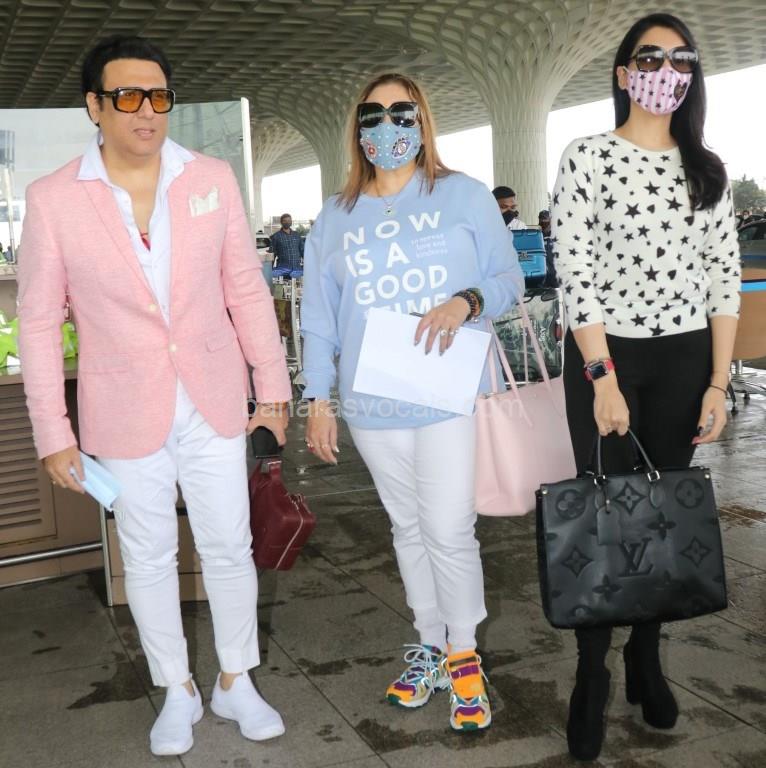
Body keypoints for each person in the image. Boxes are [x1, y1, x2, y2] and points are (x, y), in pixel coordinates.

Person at [17, 35, 291, 757]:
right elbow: (39, 322)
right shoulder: (52, 198)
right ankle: (177, 688)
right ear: (95, 106)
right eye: (128, 96)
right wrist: (53, 432)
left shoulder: (210, 177)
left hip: (214, 396)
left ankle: (235, 679)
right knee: (147, 556)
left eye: (159, 96)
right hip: (121, 407)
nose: (147, 111)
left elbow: (245, 289)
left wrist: (273, 392)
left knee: (229, 543)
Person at [300, 73, 523, 733]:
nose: (387, 126)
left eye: (402, 112)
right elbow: (319, 317)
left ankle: (463, 654)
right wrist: (317, 398)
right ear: (357, 129)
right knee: (407, 526)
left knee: (448, 528)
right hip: (372, 401)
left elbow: (509, 278)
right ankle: (429, 644)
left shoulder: (464, 195)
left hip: (448, 392)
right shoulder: (334, 216)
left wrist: (467, 301)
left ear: (423, 121)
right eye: (372, 115)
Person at [551, 13, 740, 761]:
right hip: (607, 356)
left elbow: (723, 279)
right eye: (649, 57)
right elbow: (575, 271)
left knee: (662, 515)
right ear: (625, 72)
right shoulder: (588, 157)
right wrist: (603, 377)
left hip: (686, 361)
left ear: (692, 75)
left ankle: (646, 657)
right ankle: (590, 672)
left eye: (680, 59)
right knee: (604, 516)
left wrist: (718, 383)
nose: (665, 71)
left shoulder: (707, 169)